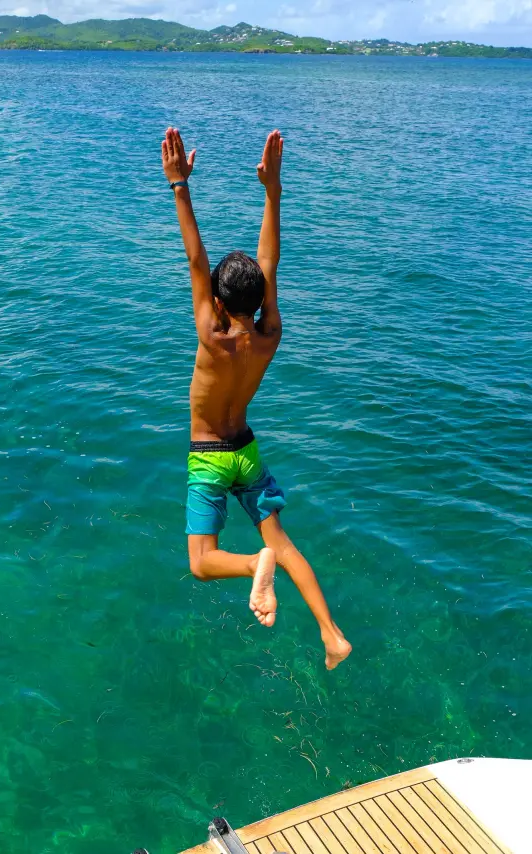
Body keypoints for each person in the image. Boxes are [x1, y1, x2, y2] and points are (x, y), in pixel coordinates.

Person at [161, 127, 351, 670]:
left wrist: (180, 186)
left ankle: (252, 567)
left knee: (202, 562)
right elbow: (269, 264)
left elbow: (196, 261)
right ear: (261, 297)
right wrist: (273, 190)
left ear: (218, 301)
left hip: (210, 456)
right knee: (285, 545)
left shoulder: (211, 334)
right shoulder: (269, 335)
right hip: (246, 450)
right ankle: (332, 635)